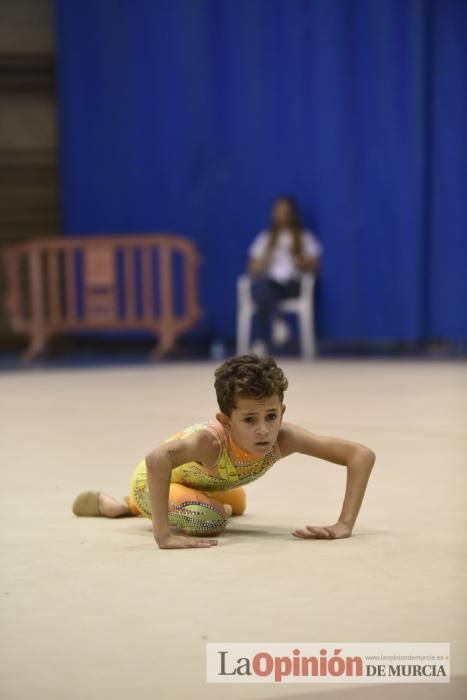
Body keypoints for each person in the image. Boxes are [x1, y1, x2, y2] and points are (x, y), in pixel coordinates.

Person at [72, 354, 376, 550]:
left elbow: (361, 455)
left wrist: (344, 524)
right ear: (225, 421)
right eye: (249, 420)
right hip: (150, 479)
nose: (264, 430)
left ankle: (137, 505)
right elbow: (156, 459)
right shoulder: (210, 442)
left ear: (282, 411)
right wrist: (163, 536)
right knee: (209, 521)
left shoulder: (285, 438)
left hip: (206, 483)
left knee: (238, 503)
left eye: (271, 416)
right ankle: (127, 504)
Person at [247, 195, 322, 355]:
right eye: (279, 212)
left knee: (264, 292)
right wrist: (267, 255)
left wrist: (303, 262)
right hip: (270, 285)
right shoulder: (265, 238)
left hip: (292, 284)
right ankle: (276, 324)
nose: (283, 216)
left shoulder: (304, 237)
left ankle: (265, 337)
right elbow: (252, 269)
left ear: (293, 214)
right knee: (263, 286)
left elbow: (315, 264)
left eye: (286, 212)